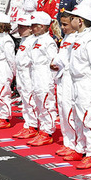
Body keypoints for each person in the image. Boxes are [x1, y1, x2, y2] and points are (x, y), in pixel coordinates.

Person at [61, 3, 91, 167]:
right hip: (75, 81)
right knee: (77, 117)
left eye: (72, 18)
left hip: (87, 81)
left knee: (88, 118)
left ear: (80, 21)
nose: (69, 20)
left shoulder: (89, 40)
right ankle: (81, 147)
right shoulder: (77, 38)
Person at [27, 12, 59, 147]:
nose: (31, 28)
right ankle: (42, 129)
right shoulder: (36, 40)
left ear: (42, 26)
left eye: (34, 26)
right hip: (36, 74)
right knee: (39, 103)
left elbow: (54, 62)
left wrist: (51, 80)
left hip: (45, 75)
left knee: (47, 103)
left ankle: (48, 132)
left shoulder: (48, 41)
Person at [53, 13, 78, 155]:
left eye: (66, 24)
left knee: (69, 110)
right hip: (62, 76)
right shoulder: (66, 38)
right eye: (61, 24)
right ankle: (68, 142)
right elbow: (61, 56)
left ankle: (75, 143)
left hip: (71, 78)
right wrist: (54, 62)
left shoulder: (77, 39)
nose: (63, 27)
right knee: (62, 109)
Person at [12, 16, 38, 138]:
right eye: (19, 27)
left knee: (29, 99)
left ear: (30, 28)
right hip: (21, 73)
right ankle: (28, 124)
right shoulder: (24, 40)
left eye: (23, 27)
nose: (20, 30)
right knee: (24, 99)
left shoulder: (33, 41)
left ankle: (33, 126)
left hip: (28, 73)